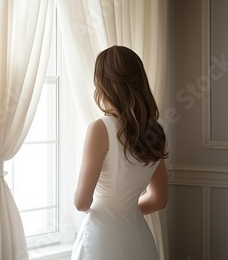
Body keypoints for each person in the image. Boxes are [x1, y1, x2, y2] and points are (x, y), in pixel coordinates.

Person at [71, 45, 169, 260]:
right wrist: (124, 211)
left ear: (103, 84)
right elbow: (159, 199)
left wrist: (112, 212)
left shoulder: (100, 128)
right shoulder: (155, 132)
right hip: (139, 237)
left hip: (102, 239)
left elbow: (81, 202)